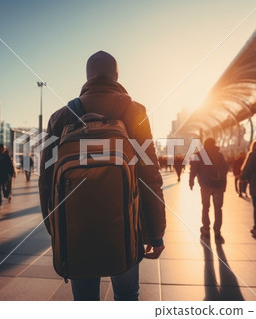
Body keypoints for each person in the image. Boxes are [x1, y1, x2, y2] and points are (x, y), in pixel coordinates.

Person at [38, 51, 166, 301]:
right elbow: (149, 175)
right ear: (116, 75)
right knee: (128, 295)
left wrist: (55, 229)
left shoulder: (61, 116)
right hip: (127, 228)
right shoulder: (135, 111)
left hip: (76, 230)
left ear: (87, 77)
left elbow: (46, 180)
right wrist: (155, 232)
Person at [189, 138, 228, 241]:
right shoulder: (219, 155)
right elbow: (226, 169)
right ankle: (217, 231)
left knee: (205, 207)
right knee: (218, 208)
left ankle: (206, 229)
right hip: (219, 185)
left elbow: (193, 169)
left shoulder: (199, 154)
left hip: (205, 185)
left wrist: (191, 181)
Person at [0, 144, 15, 208]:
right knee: (2, 187)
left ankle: (0, 200)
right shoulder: (6, 156)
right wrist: (12, 173)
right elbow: (10, 166)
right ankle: (5, 196)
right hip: (5, 175)